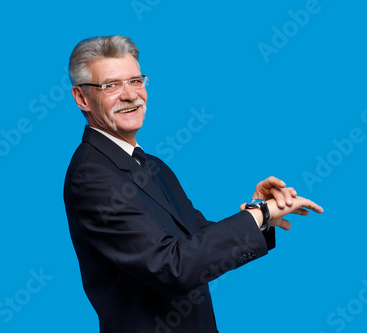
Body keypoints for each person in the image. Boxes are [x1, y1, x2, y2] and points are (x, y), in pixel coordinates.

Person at [63, 35, 323, 333]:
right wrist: (257, 217)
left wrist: (262, 211)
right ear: (82, 98)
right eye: (111, 85)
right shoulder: (92, 176)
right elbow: (173, 266)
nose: (130, 95)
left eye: (136, 81)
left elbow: (194, 238)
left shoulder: (153, 166)